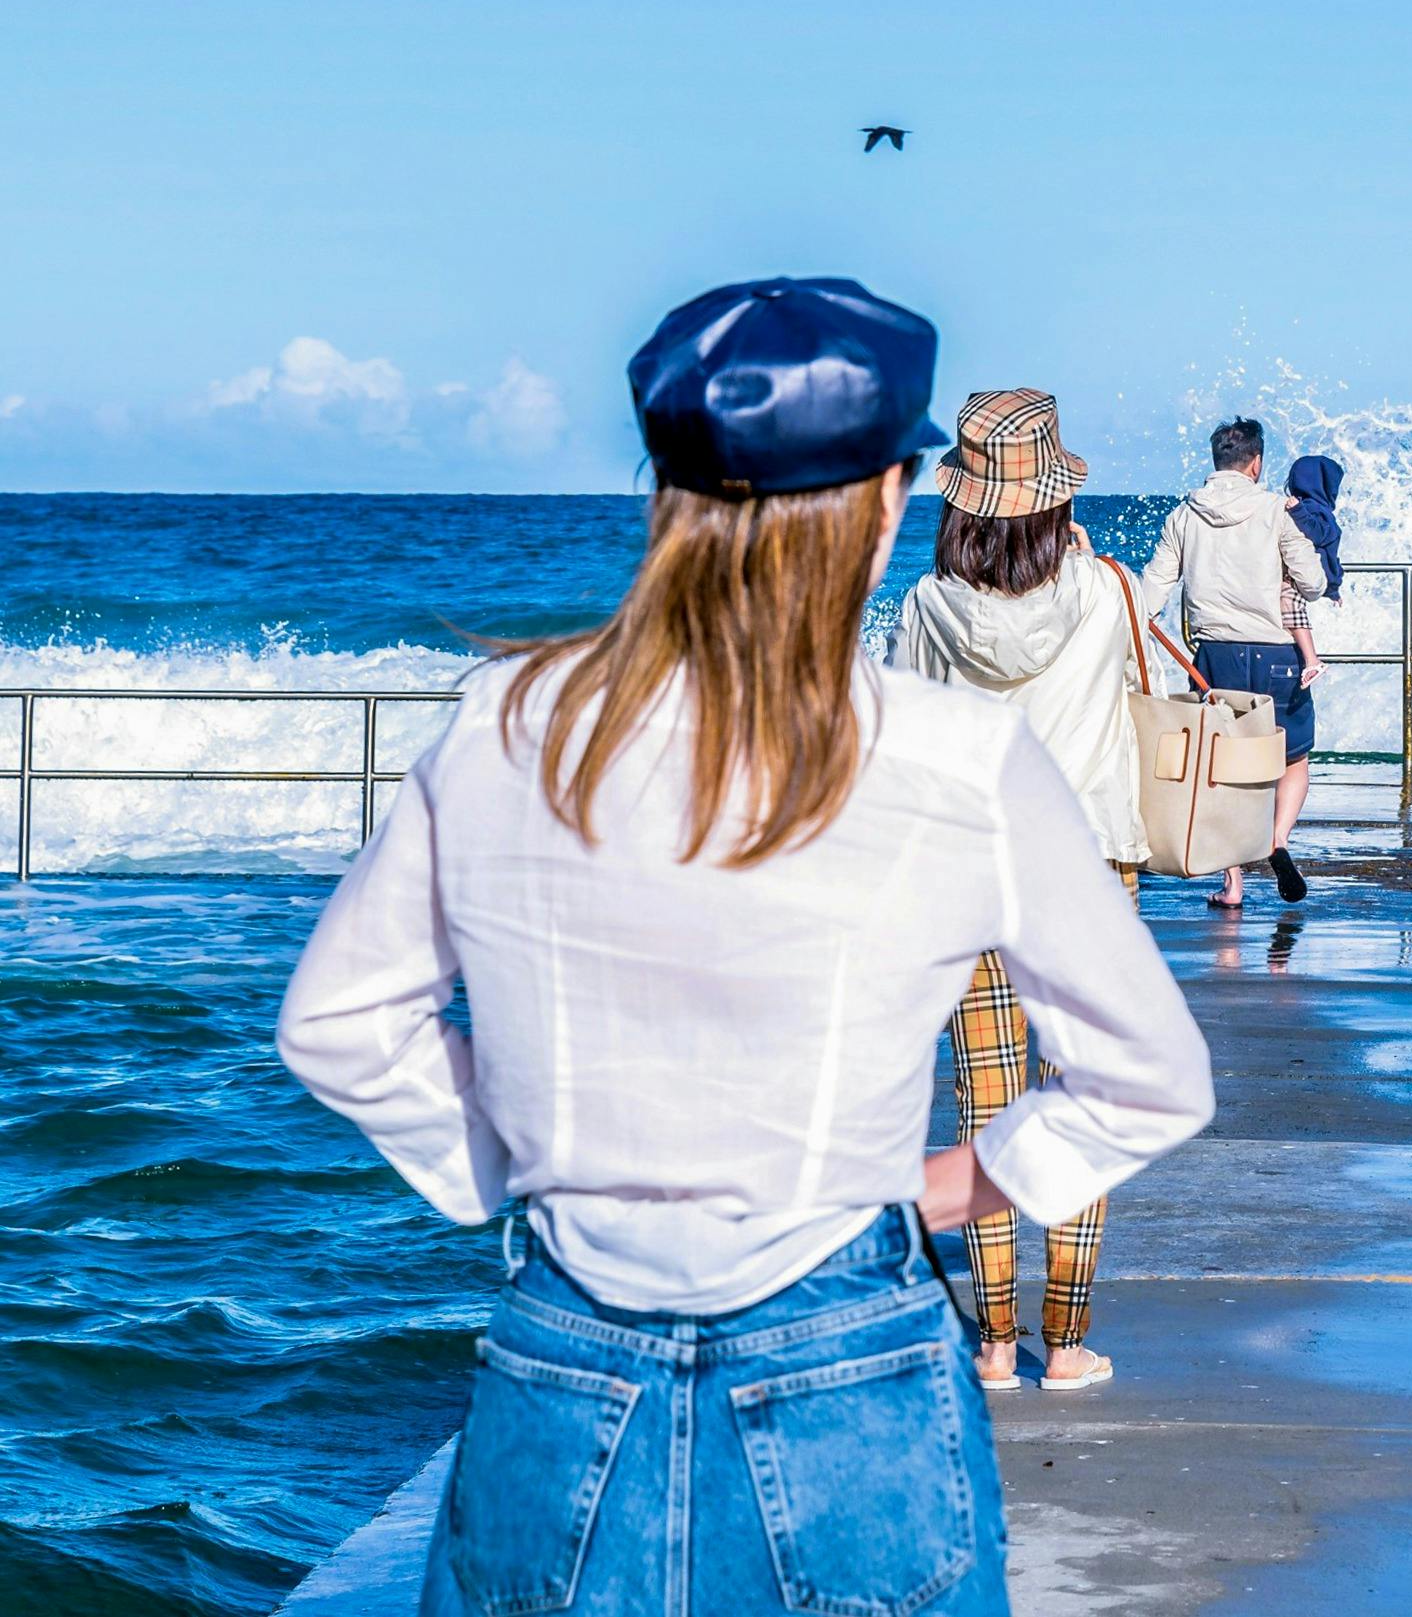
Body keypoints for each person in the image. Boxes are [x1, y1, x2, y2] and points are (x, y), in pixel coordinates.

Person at [277, 279, 1213, 1617]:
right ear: (891, 500)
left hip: (560, 1353)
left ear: (662, 487)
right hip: (850, 1352)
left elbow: (339, 1025)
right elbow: (1148, 1076)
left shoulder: (500, 722)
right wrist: (948, 1187)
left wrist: (511, 1158)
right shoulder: (955, 761)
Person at [893, 387, 1145, 1394]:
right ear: (1051, 499)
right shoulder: (1105, 587)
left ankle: (994, 1340)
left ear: (961, 506)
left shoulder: (924, 605)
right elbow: (1138, 694)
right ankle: (1066, 1340)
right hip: (1087, 866)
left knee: (986, 1102)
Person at [1142, 417, 1327, 910]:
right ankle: (1278, 840)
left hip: (1213, 655)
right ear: (1256, 463)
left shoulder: (1183, 516)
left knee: (1223, 766)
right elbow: (1312, 584)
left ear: (1216, 461)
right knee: (1292, 757)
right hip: (1277, 655)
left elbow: (1151, 593)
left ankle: (1233, 884)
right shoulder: (1275, 511)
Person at [1280, 453, 1345, 689]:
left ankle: (1312, 660)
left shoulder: (1313, 510)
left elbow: (1318, 533)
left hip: (1311, 576)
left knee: (1289, 601)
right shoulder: (1320, 507)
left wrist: (1298, 512)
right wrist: (1334, 589)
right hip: (1323, 576)